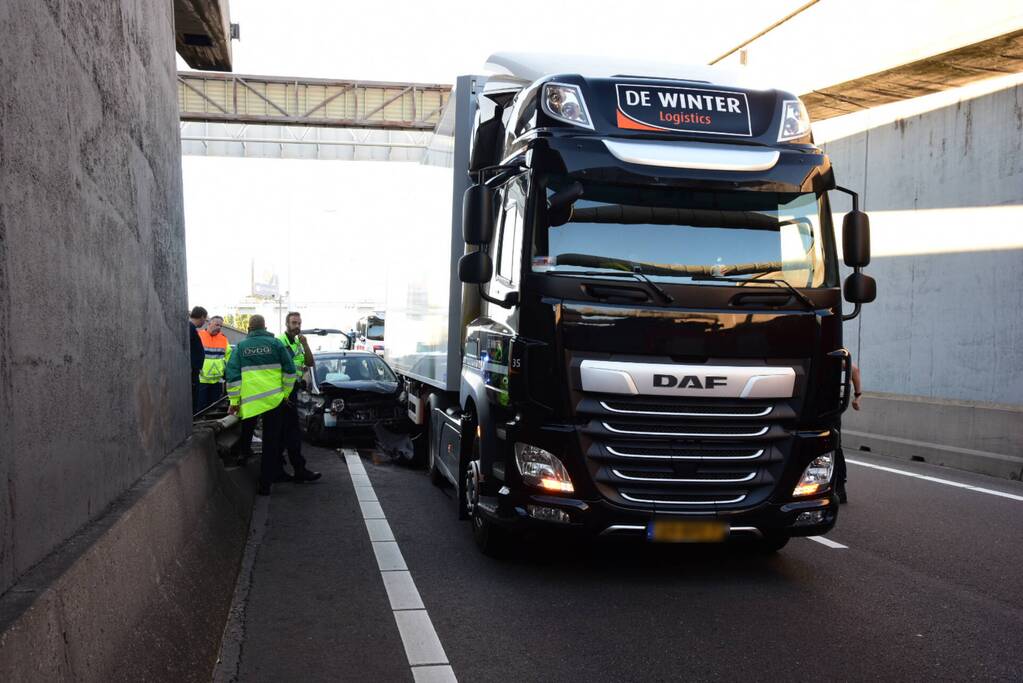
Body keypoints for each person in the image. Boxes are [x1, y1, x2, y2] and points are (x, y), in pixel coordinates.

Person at [225, 315, 317, 495]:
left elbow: (233, 377)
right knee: (271, 443)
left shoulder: (241, 347)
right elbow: (290, 371)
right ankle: (265, 485)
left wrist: (234, 402)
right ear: (265, 326)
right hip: (275, 401)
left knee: (247, 431)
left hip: (251, 403)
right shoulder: (276, 344)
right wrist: (285, 393)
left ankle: (244, 455)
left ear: (249, 328)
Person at [277, 312, 321, 483]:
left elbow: (310, 363)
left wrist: (306, 344)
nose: (297, 326)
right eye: (294, 323)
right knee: (291, 433)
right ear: (287, 324)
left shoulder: (298, 342)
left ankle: (286, 469)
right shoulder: (281, 342)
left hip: (292, 390)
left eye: (299, 323)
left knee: (287, 433)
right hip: (284, 394)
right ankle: (296, 469)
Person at [835, 362, 862, 504]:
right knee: (835, 443)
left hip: (818, 404)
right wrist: (857, 395)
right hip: (834, 405)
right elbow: (854, 369)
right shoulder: (838, 353)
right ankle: (839, 487)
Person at [196, 315, 231, 413]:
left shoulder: (223, 339)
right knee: (200, 409)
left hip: (217, 380)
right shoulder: (199, 335)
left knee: (214, 408)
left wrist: (227, 373)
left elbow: (229, 358)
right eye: (216, 325)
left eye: (221, 326)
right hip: (201, 379)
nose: (219, 327)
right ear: (209, 323)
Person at [189, 306, 208, 414]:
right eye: (205, 320)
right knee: (193, 398)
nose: (204, 323)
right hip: (192, 371)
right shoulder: (190, 328)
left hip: (194, 370)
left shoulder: (191, 328)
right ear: (201, 317)